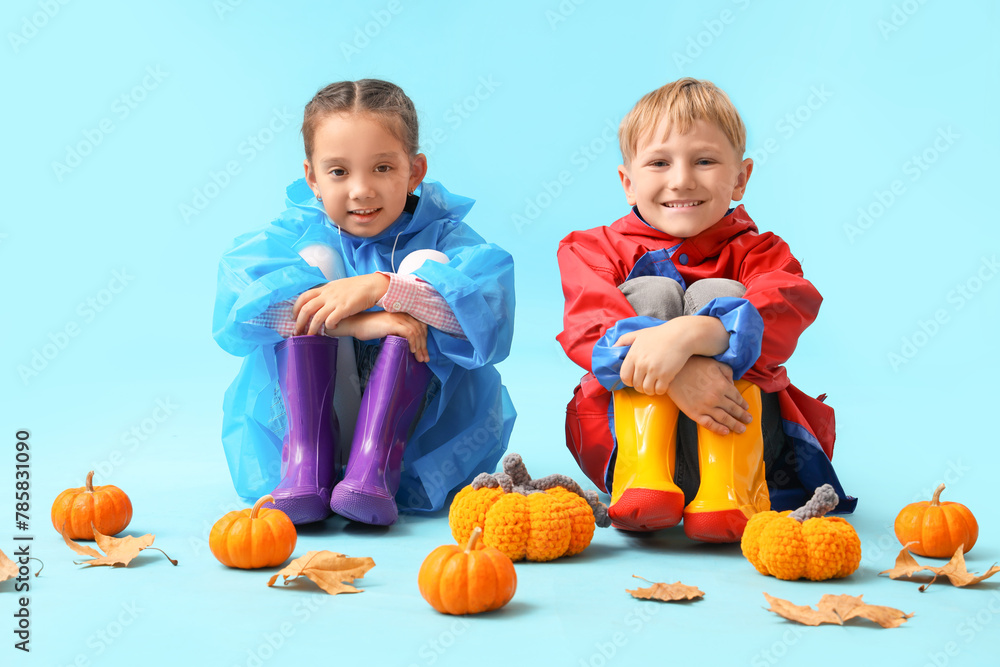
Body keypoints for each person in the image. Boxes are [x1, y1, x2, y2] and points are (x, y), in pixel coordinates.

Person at [557, 78, 855, 543]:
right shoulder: (591, 250)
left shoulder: (764, 253)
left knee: (721, 289)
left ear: (740, 178)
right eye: (659, 162)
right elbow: (589, 326)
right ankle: (645, 479)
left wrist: (693, 336)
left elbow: (785, 305)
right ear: (628, 183)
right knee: (650, 292)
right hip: (623, 441)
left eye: (705, 161)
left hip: (746, 436)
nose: (681, 180)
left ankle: (727, 492)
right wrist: (676, 373)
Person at [213, 79, 515, 527]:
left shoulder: (445, 236)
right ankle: (306, 466)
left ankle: (373, 468)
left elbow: (480, 322)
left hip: (413, 435)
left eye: (382, 168)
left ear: (414, 172)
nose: (361, 190)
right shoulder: (299, 232)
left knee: (427, 265)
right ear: (312, 178)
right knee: (312, 262)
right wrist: (358, 324)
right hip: (321, 417)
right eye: (338, 172)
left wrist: (384, 288)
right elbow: (247, 309)